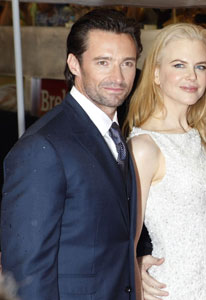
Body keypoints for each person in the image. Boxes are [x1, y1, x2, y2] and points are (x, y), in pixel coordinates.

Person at [1, 9, 142, 299]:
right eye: (103, 62)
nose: (118, 76)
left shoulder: (117, 136)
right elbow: (26, 275)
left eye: (127, 63)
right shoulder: (43, 147)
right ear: (74, 64)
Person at [124, 23, 206, 300]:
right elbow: (124, 234)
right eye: (179, 65)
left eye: (200, 67)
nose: (192, 76)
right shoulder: (144, 147)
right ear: (157, 74)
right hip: (170, 290)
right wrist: (133, 268)